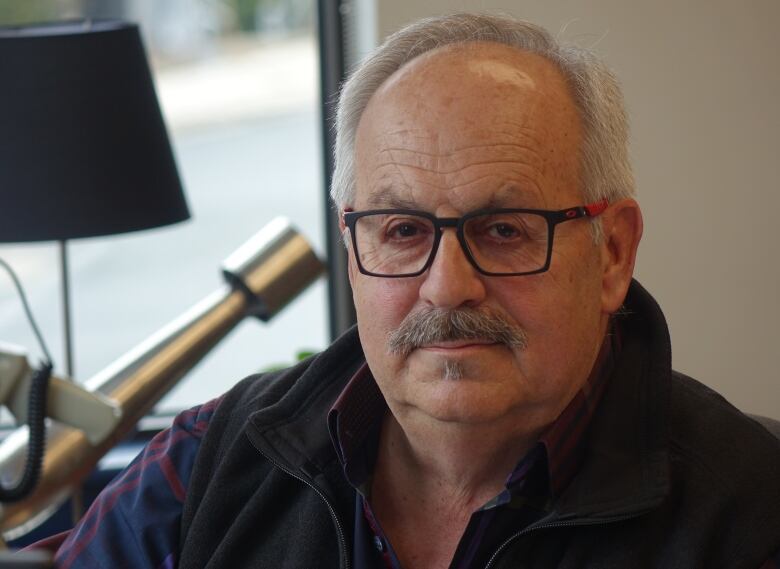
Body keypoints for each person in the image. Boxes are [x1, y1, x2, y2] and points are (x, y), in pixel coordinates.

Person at [35, 12, 780, 568]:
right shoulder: (210, 464)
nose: (448, 287)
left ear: (612, 253)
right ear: (354, 248)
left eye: (504, 229)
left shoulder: (751, 508)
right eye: (401, 230)